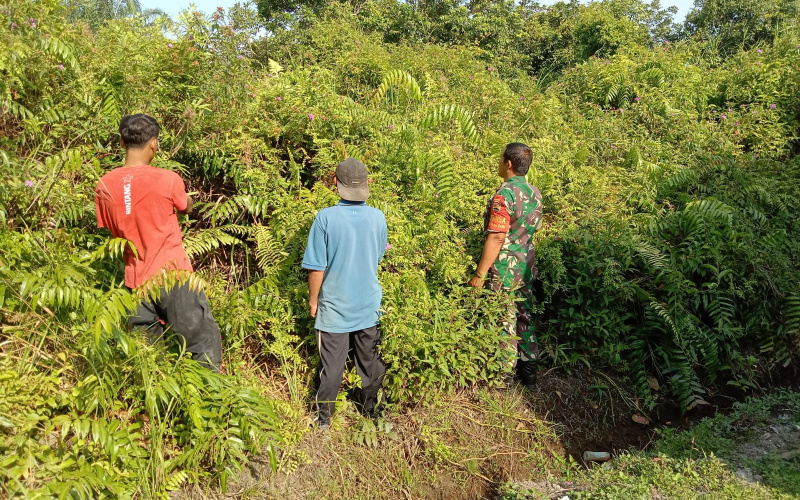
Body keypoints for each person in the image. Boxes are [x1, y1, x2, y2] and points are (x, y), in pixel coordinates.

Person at [95, 114, 222, 371]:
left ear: (121, 142)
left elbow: (112, 229)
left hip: (136, 284)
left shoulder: (104, 185)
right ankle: (213, 403)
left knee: (150, 360)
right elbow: (186, 206)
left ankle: (156, 409)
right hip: (174, 277)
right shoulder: (167, 179)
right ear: (154, 143)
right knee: (202, 345)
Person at [302, 157, 388, 430]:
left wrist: (313, 300)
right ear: (367, 184)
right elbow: (376, 258)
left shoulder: (325, 218)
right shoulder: (378, 217)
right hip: (368, 304)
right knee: (369, 360)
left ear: (335, 182)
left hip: (336, 307)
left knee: (332, 367)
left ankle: (323, 421)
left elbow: (316, 268)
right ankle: (372, 412)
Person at [468, 142, 543, 392]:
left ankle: (503, 378)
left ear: (508, 163)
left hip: (504, 268)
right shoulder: (535, 193)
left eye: (501, 158)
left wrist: (479, 274)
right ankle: (529, 376)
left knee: (503, 320)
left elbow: (497, 237)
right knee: (524, 317)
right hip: (526, 266)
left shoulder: (505, 195)